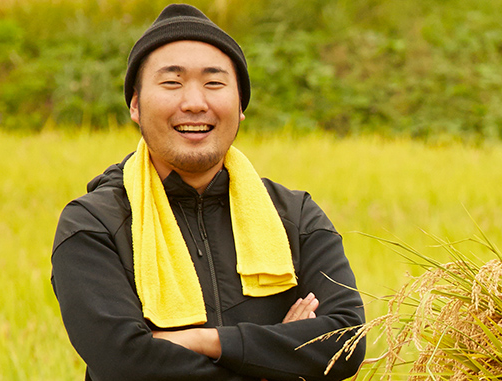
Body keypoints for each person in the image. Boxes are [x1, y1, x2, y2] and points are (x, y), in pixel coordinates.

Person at [49, 4, 363, 380]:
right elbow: (125, 360)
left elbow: (346, 341)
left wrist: (205, 340)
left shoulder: (294, 217)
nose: (195, 102)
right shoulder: (94, 224)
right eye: (171, 83)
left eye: (214, 83)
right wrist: (273, 359)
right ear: (135, 104)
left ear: (240, 105)